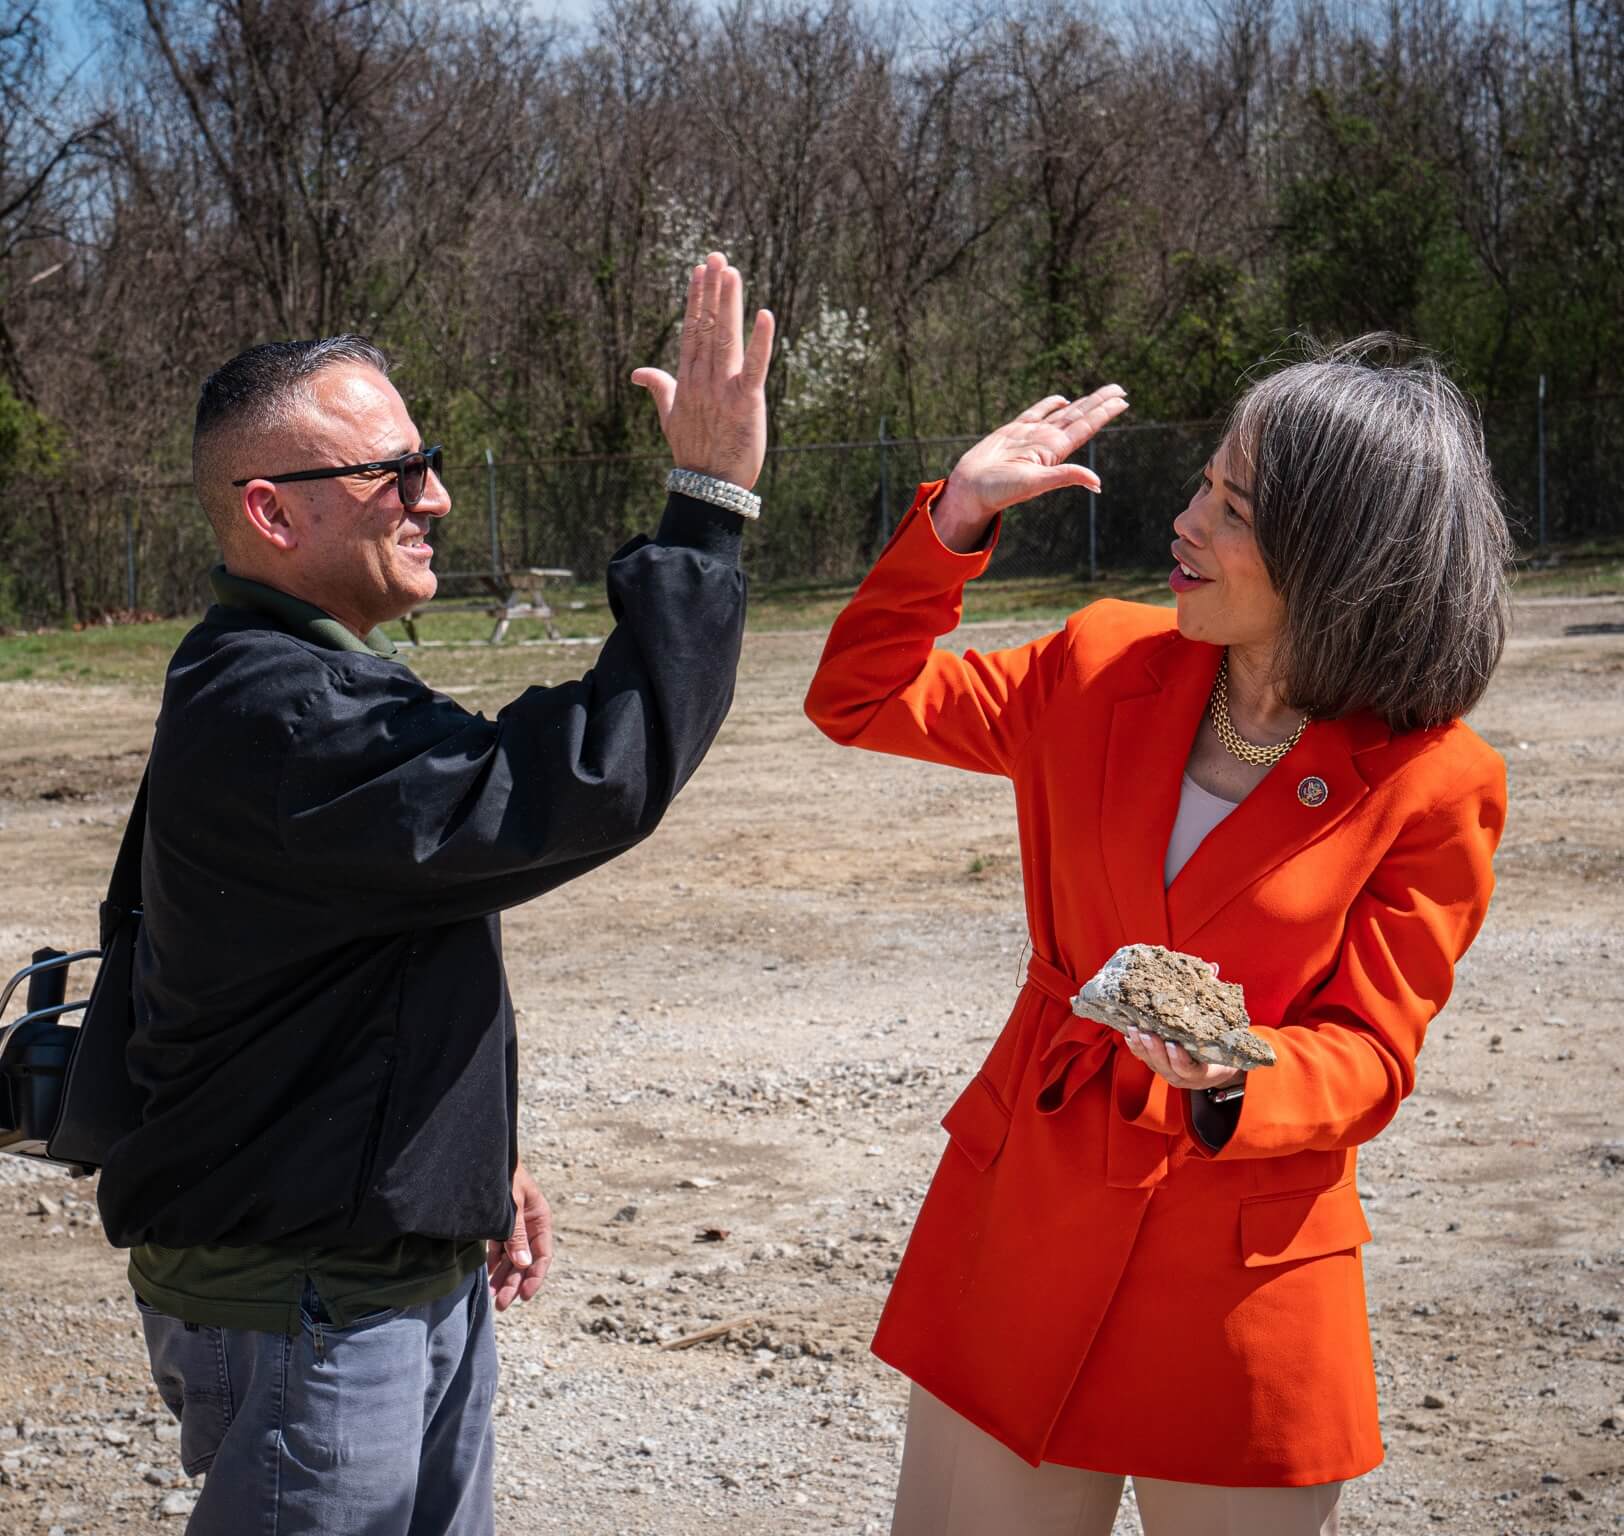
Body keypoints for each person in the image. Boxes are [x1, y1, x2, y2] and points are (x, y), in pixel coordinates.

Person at [95, 251, 773, 1535]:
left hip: (380, 1265)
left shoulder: (291, 679)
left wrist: (469, 1161)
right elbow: (591, 776)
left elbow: (362, 963)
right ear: (271, 512)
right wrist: (706, 504)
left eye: (431, 462)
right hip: (310, 1296)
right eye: (395, 473)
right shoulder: (286, 711)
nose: (437, 497)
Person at [804, 338, 1511, 1536]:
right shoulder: (1098, 662)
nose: (1184, 521)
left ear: (1341, 559)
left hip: (1238, 1293)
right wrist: (957, 518)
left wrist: (1237, 1073)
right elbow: (860, 699)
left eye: (1232, 510)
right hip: (1023, 1235)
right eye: (1203, 484)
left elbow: (1370, 1052)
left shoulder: (1437, 781)